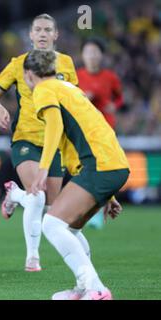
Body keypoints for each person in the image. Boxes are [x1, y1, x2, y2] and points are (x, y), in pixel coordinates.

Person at [23, 49, 129, 300]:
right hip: (111, 165)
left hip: (99, 166)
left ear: (29, 74)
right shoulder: (69, 87)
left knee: (52, 223)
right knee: (69, 228)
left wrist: (43, 169)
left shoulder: (44, 89)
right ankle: (85, 289)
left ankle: (96, 289)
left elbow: (55, 126)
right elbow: (96, 129)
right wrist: (109, 194)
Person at [0, 14, 78, 272]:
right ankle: (32, 258)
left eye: (48, 29)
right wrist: (0, 110)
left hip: (56, 142)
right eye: (38, 29)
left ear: (56, 35)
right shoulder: (18, 64)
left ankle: (14, 194)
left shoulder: (67, 63)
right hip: (25, 138)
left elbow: (73, 102)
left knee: (51, 209)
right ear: (31, 34)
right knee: (37, 197)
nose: (43, 34)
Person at [77, 37, 124, 229]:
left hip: (106, 128)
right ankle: (92, 209)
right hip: (85, 128)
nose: (92, 56)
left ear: (101, 55)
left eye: (95, 52)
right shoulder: (77, 75)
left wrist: (115, 105)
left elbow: (120, 98)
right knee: (88, 169)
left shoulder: (110, 77)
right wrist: (83, 97)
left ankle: (97, 209)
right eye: (88, 52)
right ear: (83, 55)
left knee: (103, 169)